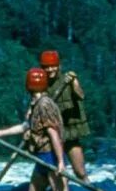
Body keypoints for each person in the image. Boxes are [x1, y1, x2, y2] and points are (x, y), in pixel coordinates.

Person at [39, 50, 90, 180]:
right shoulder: (41, 85)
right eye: (46, 67)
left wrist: (73, 83)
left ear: (59, 66)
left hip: (71, 132)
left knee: (80, 172)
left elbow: (81, 96)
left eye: (53, 66)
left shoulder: (69, 79)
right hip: (53, 134)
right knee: (57, 172)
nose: (50, 69)